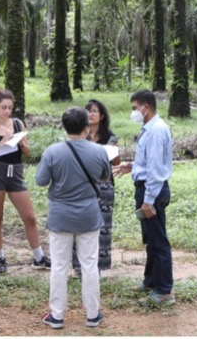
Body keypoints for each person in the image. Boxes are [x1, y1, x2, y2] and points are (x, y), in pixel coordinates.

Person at [36, 107, 112, 330]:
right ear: (87, 127)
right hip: (88, 216)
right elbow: (105, 175)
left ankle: (57, 316)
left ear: (64, 126)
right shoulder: (99, 151)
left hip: (60, 217)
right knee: (89, 265)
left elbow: (40, 181)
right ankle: (93, 314)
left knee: (59, 266)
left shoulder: (52, 152)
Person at [113, 89, 174, 305]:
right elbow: (148, 161)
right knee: (150, 239)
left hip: (152, 192)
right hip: (146, 189)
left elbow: (156, 170)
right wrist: (132, 166)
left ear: (145, 108)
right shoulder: (149, 129)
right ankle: (151, 281)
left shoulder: (156, 131)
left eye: (135, 108)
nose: (134, 112)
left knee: (158, 241)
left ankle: (165, 291)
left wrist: (149, 199)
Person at [0, 89, 49, 273]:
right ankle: (0, 257)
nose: (7, 111)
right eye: (3, 107)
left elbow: (27, 152)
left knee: (30, 217)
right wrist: (1, 143)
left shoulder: (18, 124)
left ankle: (38, 256)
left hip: (16, 173)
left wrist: (20, 142)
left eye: (10, 107)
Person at [71, 98, 120, 273]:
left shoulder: (109, 136)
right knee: (80, 224)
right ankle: (78, 267)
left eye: (94, 111)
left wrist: (113, 151)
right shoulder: (79, 134)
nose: (91, 114)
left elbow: (116, 161)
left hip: (104, 184)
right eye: (88, 111)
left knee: (103, 226)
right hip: (83, 183)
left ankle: (98, 266)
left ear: (102, 116)